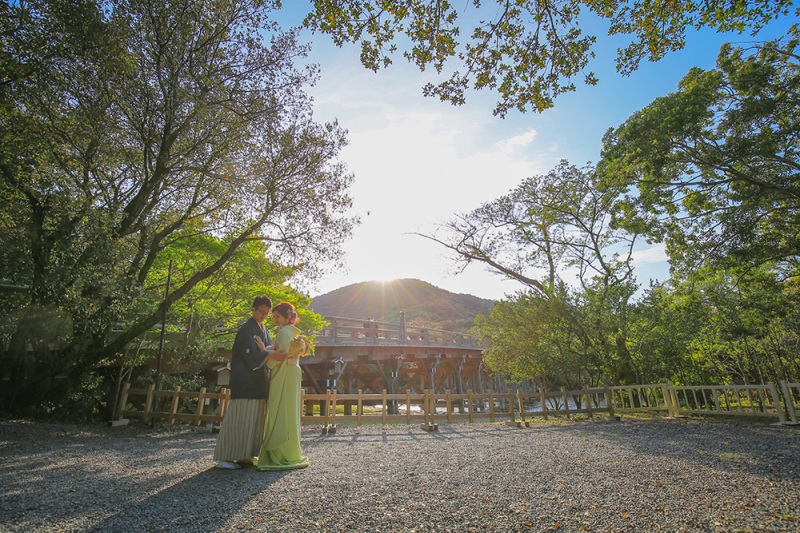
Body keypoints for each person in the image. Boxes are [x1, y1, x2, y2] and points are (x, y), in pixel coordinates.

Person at [213, 296, 286, 469]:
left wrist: (267, 351)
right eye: (261, 311)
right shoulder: (245, 330)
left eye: (267, 313)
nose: (263, 315)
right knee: (238, 419)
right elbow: (249, 356)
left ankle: (245, 455)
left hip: (260, 382)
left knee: (254, 421)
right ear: (253, 310)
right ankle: (225, 457)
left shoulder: (265, 330)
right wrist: (268, 353)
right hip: (245, 382)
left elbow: (265, 351)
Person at [255, 301, 310, 470]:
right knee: (290, 410)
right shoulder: (290, 332)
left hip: (285, 372)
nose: (274, 319)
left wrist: (264, 351)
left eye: (277, 316)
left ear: (286, 317)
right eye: (273, 317)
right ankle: (290, 450)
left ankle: (280, 450)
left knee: (280, 408)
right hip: (293, 371)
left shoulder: (284, 332)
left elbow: (281, 356)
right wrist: (270, 348)